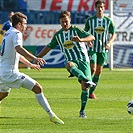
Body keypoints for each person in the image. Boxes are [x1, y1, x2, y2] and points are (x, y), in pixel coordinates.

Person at [0, 12, 64, 125]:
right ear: (19, 24)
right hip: (10, 73)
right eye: (25, 23)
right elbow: (18, 48)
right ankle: (52, 116)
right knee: (37, 88)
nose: (26, 26)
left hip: (2, 71)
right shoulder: (16, 33)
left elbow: (16, 54)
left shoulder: (7, 33)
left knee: (3, 94)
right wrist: (35, 58)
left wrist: (30, 64)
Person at [37, 10, 96, 118]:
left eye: (66, 21)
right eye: (62, 22)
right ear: (60, 22)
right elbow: (49, 46)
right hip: (71, 60)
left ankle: (82, 111)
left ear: (70, 20)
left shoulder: (76, 30)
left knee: (85, 88)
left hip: (83, 60)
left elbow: (92, 37)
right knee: (69, 64)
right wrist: (38, 57)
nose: (65, 24)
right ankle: (85, 79)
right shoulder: (58, 35)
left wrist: (81, 40)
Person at [84, 0, 116, 99]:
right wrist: (88, 41)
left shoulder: (108, 20)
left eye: (102, 7)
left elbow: (114, 34)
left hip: (103, 49)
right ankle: (85, 87)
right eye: (98, 7)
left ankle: (91, 92)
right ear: (95, 8)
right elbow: (85, 32)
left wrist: (109, 43)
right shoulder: (90, 20)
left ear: (104, 8)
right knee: (93, 69)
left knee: (99, 71)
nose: (100, 9)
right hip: (93, 48)